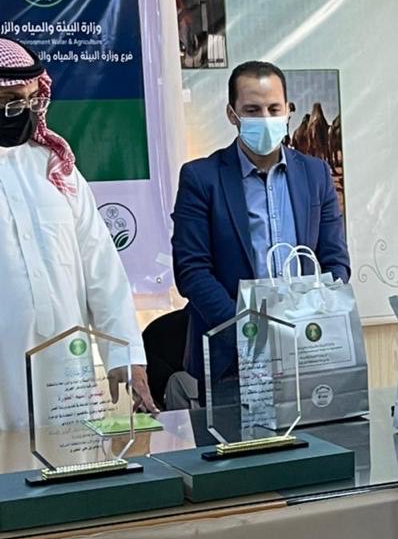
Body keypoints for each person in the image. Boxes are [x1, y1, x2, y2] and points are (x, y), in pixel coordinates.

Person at [0, 38, 156, 430]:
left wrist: (126, 358)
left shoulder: (57, 169)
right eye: (11, 102)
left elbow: (101, 267)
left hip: (65, 368)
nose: (25, 112)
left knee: (73, 459)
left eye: (33, 101)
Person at [171, 61, 350, 385]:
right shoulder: (201, 178)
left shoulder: (316, 174)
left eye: (273, 109)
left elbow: (335, 259)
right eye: (252, 110)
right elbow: (192, 271)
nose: (265, 118)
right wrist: (248, 334)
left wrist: (316, 316)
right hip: (230, 360)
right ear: (232, 114)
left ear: (288, 111)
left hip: (308, 348)